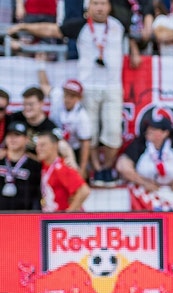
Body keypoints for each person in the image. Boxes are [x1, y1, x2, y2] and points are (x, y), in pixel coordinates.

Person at [9, 0, 142, 186]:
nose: (100, 8)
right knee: (90, 132)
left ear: (109, 7)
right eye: (96, 3)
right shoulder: (80, 26)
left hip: (113, 86)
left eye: (103, 3)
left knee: (113, 133)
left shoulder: (119, 22)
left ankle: (106, 167)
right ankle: (96, 169)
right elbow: (51, 30)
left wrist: (134, 50)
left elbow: (132, 34)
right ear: (89, 7)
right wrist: (23, 26)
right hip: (88, 87)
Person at [115, 116, 173, 193]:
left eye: (154, 129)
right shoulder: (140, 143)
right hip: (145, 192)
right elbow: (122, 165)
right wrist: (143, 182)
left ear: (165, 133)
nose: (149, 131)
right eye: (148, 128)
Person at [37, 61, 93, 179]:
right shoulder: (57, 96)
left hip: (72, 148)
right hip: (53, 143)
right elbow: (44, 85)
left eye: (72, 96)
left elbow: (85, 144)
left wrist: (82, 169)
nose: (67, 99)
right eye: (66, 94)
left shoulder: (82, 117)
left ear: (79, 98)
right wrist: (40, 64)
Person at [35, 130, 90, 212]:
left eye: (42, 145)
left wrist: (68, 214)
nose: (38, 149)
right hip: (50, 214)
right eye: (37, 145)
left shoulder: (62, 168)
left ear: (55, 145)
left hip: (61, 217)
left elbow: (84, 191)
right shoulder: (44, 165)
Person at [0, 122, 42, 211]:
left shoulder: (35, 165)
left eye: (17, 135)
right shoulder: (1, 160)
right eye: (9, 135)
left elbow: (37, 195)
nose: (12, 139)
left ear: (26, 139)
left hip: (24, 216)